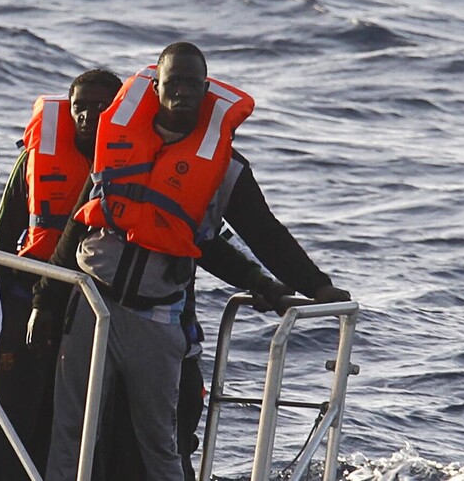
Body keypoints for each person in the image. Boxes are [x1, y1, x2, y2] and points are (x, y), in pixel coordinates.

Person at [37, 44, 351, 481]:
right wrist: (46, 300)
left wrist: (314, 285)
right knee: (71, 431)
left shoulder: (224, 168)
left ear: (206, 90)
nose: (180, 91)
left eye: (190, 83)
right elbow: (79, 220)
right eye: (172, 82)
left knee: (160, 443)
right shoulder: (118, 143)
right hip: (92, 307)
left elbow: (264, 233)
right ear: (156, 86)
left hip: (157, 318)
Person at [0, 69, 120, 480]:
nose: (89, 115)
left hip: (91, 301)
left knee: (74, 409)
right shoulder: (35, 157)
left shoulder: (129, 163)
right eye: (81, 107)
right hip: (29, 293)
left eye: (102, 107)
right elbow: (4, 235)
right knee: (16, 400)